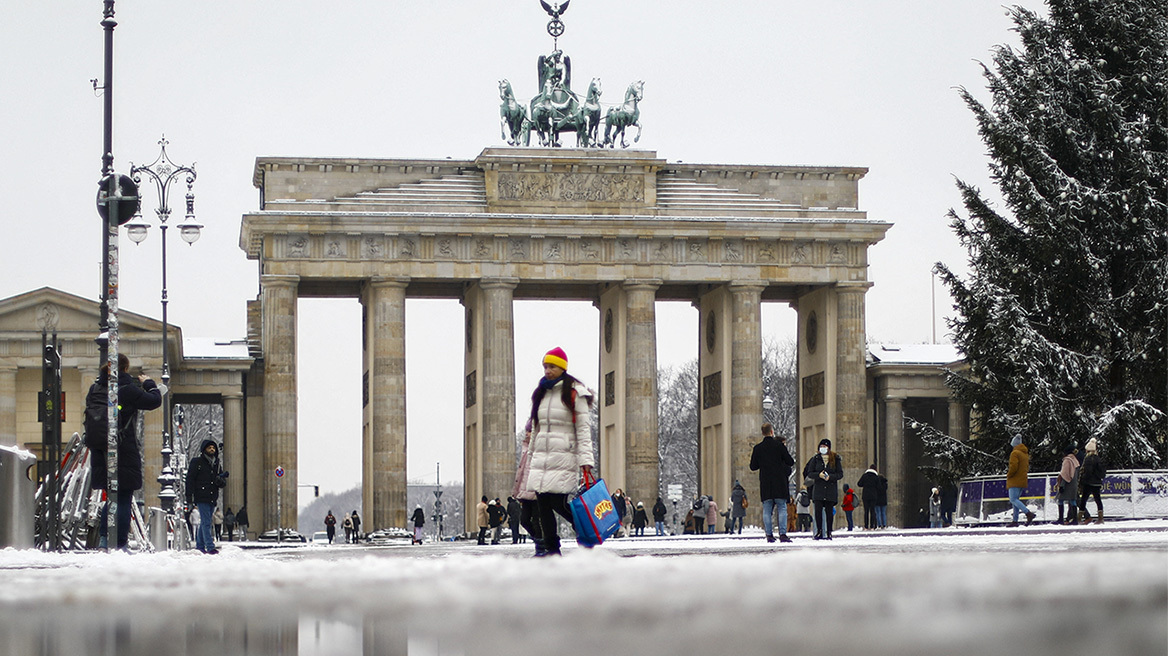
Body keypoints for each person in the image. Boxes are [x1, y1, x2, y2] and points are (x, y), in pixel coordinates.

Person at [87, 353, 164, 551]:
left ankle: (105, 540)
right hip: (123, 449)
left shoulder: (95, 388)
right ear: (125, 369)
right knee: (123, 498)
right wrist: (149, 383)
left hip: (100, 450)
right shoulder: (127, 389)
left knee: (110, 496)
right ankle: (119, 542)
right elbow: (154, 401)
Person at [524, 346, 595, 556]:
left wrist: (585, 459)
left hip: (563, 455)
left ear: (562, 368)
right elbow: (536, 427)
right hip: (542, 457)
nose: (547, 370)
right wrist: (531, 454)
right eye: (545, 366)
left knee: (557, 502)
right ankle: (552, 549)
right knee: (542, 504)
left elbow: (583, 428)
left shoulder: (575, 393)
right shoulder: (541, 394)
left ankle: (585, 528)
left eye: (552, 366)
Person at [750, 423, 795, 543]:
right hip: (780, 482)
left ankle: (769, 535)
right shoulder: (779, 446)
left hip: (766, 483)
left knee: (767, 509)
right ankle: (783, 534)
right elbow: (790, 461)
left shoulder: (758, 448)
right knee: (782, 508)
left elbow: (753, 466)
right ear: (772, 432)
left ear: (762, 433)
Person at [185, 439, 229, 554]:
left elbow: (220, 482)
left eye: (213, 448)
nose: (212, 450)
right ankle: (210, 546)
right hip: (201, 495)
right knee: (206, 521)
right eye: (209, 448)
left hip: (212, 496)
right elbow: (190, 479)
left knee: (206, 521)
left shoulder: (216, 464)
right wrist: (189, 496)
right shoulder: (197, 462)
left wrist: (221, 479)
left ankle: (200, 546)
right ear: (204, 449)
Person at [803, 438, 843, 540]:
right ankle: (819, 531)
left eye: (824, 447)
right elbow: (810, 472)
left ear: (828, 448)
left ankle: (829, 531)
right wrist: (819, 475)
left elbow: (840, 474)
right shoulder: (815, 459)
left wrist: (831, 477)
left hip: (830, 489)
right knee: (818, 512)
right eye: (821, 447)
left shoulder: (835, 459)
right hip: (819, 489)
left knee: (829, 512)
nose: (822, 448)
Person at [1006, 434, 1036, 527]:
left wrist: (1009, 475)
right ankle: (1015, 520)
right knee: (1016, 500)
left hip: (1014, 479)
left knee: (1013, 499)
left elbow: (1013, 466)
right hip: (1022, 479)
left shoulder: (1015, 453)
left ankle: (1028, 513)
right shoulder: (1024, 453)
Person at [1078, 438, 1107, 524]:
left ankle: (1079, 518)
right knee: (1098, 500)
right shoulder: (1098, 458)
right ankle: (1101, 518)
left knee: (1083, 500)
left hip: (1089, 483)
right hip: (1097, 483)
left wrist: (1083, 480)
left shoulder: (1088, 459)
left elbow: (1087, 471)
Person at [1055, 444, 1081, 525]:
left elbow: (1064, 474)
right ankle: (1075, 519)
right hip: (1074, 484)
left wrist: (1062, 485)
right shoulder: (1075, 460)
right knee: (1073, 501)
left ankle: (1060, 519)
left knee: (1060, 500)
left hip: (1067, 484)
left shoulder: (1067, 460)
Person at [858, 465, 880, 529]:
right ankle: (872, 525)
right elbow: (879, 487)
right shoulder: (876, 477)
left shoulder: (864, 476)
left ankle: (866, 525)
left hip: (865, 495)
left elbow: (859, 484)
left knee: (866, 511)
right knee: (872, 511)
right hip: (873, 496)